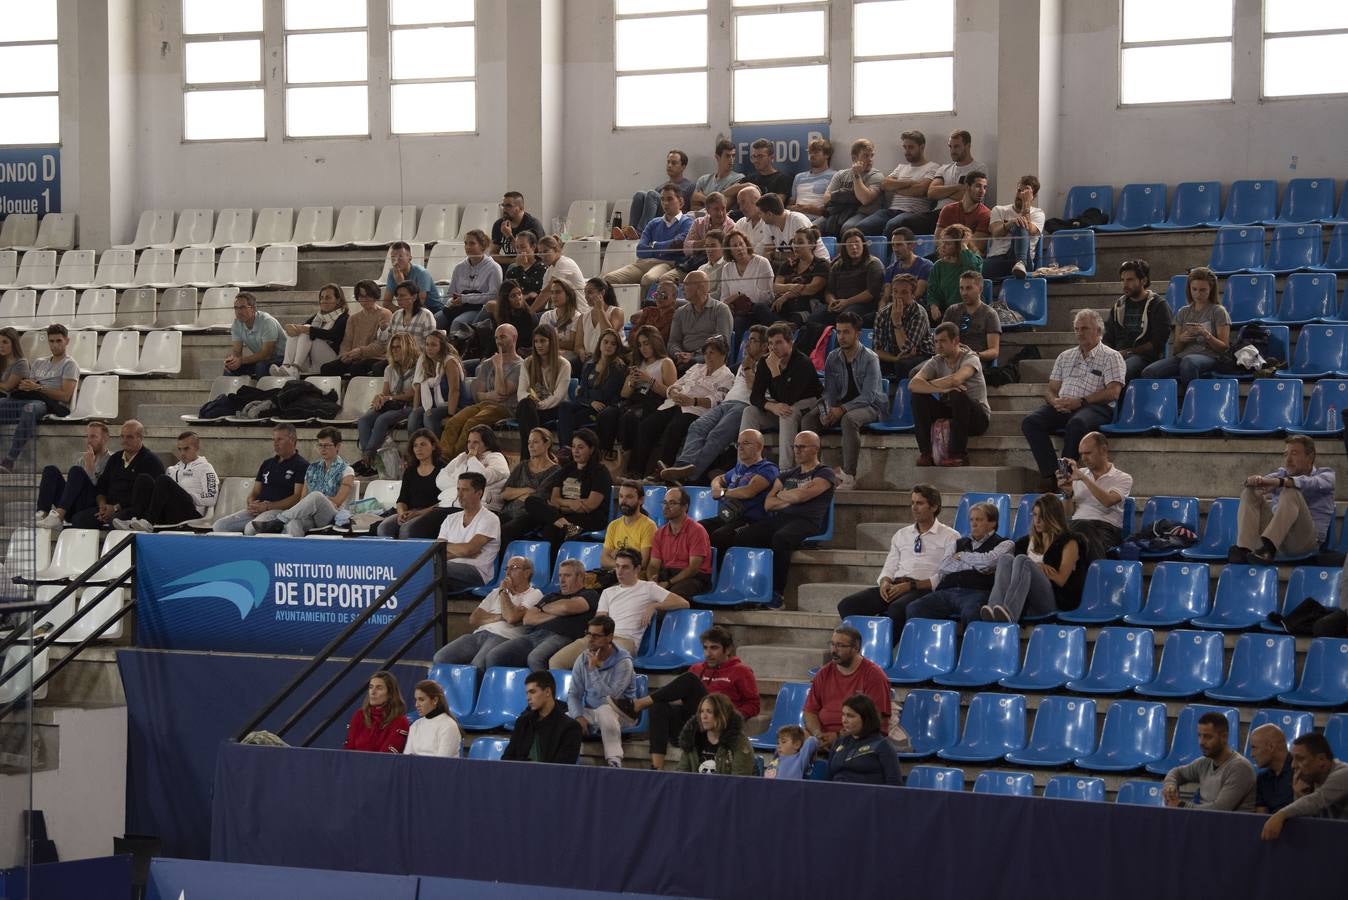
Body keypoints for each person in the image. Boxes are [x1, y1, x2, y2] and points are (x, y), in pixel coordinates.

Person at [613, 625, 758, 770]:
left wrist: (731, 716)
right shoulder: (697, 669)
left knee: (690, 679)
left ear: (727, 650)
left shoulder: (741, 671)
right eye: (705, 648)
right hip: (694, 724)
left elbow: (754, 704)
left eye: (714, 648)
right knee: (658, 705)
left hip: (719, 724)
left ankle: (637, 704)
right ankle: (656, 768)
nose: (708, 653)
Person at [715, 430, 834, 603]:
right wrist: (795, 495)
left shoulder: (824, 473)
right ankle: (744, 585)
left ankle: (777, 592)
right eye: (795, 446)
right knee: (743, 536)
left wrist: (785, 494)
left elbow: (801, 497)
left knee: (781, 538)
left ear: (816, 449)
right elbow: (768, 503)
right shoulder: (787, 474)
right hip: (781, 518)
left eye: (802, 446)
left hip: (808, 521)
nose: (797, 450)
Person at [1021, 309, 1125, 493]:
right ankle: (1050, 476)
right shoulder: (1065, 356)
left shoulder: (1111, 356)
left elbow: (1113, 392)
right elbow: (1051, 389)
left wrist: (1081, 401)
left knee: (1077, 423)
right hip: (1064, 405)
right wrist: (1055, 402)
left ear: (1098, 331)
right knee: (1030, 422)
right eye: (1076, 329)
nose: (1079, 333)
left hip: (1095, 407)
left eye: (1084, 328)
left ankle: (1065, 476)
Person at [836, 484, 959, 623]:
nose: (914, 507)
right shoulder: (902, 534)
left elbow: (946, 576)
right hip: (895, 585)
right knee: (847, 605)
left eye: (919, 503)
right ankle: (857, 643)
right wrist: (885, 582)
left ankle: (882, 644)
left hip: (923, 589)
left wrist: (911, 586)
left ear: (934, 507)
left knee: (896, 610)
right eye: (912, 503)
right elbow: (890, 566)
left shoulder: (950, 536)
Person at [660, 328, 768, 485]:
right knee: (697, 426)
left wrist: (747, 367)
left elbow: (755, 387)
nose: (746, 345)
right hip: (726, 404)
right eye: (748, 339)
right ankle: (682, 466)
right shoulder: (744, 362)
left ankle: (688, 476)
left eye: (753, 341)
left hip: (744, 406)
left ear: (764, 346)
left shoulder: (765, 364)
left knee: (716, 435)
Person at [552, 550, 690, 669]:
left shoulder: (649, 588)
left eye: (625, 567)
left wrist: (654, 605)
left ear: (637, 569)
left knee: (594, 662)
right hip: (600, 637)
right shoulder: (607, 592)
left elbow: (683, 602)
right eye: (617, 566)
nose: (619, 571)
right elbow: (600, 620)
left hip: (625, 641)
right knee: (555, 662)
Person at [803, 312, 885, 490]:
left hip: (870, 407)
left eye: (846, 332)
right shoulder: (833, 357)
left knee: (849, 419)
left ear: (857, 333)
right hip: (841, 406)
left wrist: (841, 409)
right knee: (809, 418)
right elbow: (829, 392)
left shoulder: (871, 358)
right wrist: (828, 411)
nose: (841, 337)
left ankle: (849, 476)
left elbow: (868, 396)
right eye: (839, 332)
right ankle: (810, 472)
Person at [630, 336, 733, 478]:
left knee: (674, 428)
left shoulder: (727, 376)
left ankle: (662, 473)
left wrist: (693, 401)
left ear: (723, 354)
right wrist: (674, 391)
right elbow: (677, 383)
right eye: (706, 353)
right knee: (646, 426)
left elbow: (717, 400)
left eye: (712, 353)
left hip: (697, 410)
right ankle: (636, 472)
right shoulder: (697, 367)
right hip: (675, 403)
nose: (708, 356)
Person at [903, 502, 1015, 628]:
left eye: (979, 520)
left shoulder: (1005, 544)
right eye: (971, 520)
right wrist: (978, 567)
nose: (973, 524)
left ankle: (973, 647)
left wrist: (962, 556)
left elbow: (989, 561)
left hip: (977, 592)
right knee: (914, 608)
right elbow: (944, 566)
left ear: (992, 523)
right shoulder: (957, 543)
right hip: (947, 591)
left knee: (971, 613)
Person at [979, 494, 1086, 623]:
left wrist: (1034, 568)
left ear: (1053, 517)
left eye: (1042, 516)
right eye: (1035, 515)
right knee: (1006, 559)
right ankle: (993, 610)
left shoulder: (1069, 541)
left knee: (1022, 560)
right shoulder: (1026, 542)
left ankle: (1009, 613)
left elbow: (1061, 580)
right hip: (1026, 602)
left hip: (1054, 600)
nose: (1037, 521)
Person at [1230, 434, 1335, 564]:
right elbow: (1261, 483)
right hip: (1280, 540)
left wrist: (1280, 482)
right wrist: (1254, 481)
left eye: (1294, 454)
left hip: (1305, 543)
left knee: (1291, 490)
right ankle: (1244, 550)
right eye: (1286, 454)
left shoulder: (1326, 475)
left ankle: (1268, 548)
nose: (1288, 460)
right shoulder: (1282, 474)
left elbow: (1307, 483)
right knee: (1249, 493)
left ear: (1310, 456)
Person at [488, 558, 600, 672]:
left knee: (535, 658)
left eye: (567, 575)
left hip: (563, 636)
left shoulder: (589, 594)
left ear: (580, 576)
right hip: (535, 635)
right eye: (560, 575)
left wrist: (544, 609)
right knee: (495, 655)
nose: (562, 580)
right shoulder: (551, 596)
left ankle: (545, 689)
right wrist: (559, 613)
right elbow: (528, 619)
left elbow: (566, 607)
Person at [433, 554, 542, 669]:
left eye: (513, 568)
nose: (508, 572)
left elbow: (511, 618)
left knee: (477, 665)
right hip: (480, 633)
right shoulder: (496, 592)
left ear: (527, 573)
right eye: (507, 568)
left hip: (503, 636)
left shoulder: (534, 594)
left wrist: (504, 592)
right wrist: (500, 616)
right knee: (440, 658)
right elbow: (474, 619)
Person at [741, 323, 823, 470]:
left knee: (787, 413)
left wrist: (775, 370)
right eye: (771, 343)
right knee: (750, 412)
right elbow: (755, 397)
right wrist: (772, 406)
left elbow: (789, 398)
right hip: (781, 405)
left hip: (807, 406)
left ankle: (786, 470)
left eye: (778, 342)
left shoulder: (803, 363)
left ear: (790, 343)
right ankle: (745, 467)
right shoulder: (765, 362)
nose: (773, 347)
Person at [910, 321, 991, 468]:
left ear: (956, 341)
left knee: (957, 392)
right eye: (936, 342)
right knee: (917, 397)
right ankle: (926, 453)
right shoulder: (936, 360)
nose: (938, 346)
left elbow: (957, 379)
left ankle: (958, 455)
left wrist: (931, 384)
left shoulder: (971, 358)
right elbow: (913, 385)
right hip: (952, 414)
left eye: (943, 341)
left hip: (976, 417)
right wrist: (940, 389)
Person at [248, 428, 355, 536]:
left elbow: (337, 501)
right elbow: (303, 499)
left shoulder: (347, 470)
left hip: (330, 516)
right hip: (310, 514)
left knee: (316, 496)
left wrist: (316, 499)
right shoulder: (312, 468)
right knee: (293, 524)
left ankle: (279, 520)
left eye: (327, 445)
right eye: (320, 445)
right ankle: (291, 551)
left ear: (338, 446)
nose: (323, 449)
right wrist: (310, 502)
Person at [0, 324, 77, 473]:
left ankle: (9, 460)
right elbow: (30, 384)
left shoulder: (70, 365)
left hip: (47, 403)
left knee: (30, 409)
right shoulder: (39, 362)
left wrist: (39, 388)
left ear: (67, 341)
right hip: (29, 397)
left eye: (58, 341)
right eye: (51, 341)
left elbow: (65, 395)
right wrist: (25, 386)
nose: (54, 345)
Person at [412, 425, 511, 540]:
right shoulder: (462, 457)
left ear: (487, 444)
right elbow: (440, 480)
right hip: (449, 506)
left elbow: (483, 479)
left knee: (417, 530)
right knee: (413, 529)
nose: (471, 446)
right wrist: (462, 481)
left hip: (479, 508)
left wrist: (472, 459)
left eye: (476, 442)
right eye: (469, 442)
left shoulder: (496, 458)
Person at [803, 625, 892, 751]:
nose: (834, 650)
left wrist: (838, 736)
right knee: (791, 742)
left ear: (856, 648)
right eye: (832, 644)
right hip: (824, 737)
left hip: (859, 737)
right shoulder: (823, 673)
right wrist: (818, 735)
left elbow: (874, 720)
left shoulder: (874, 675)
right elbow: (810, 711)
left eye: (840, 646)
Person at [566, 614, 639, 768]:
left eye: (596, 636)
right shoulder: (582, 659)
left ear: (609, 637)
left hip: (622, 712)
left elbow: (610, 698)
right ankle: (568, 762)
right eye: (589, 634)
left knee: (606, 710)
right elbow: (574, 694)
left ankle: (614, 762)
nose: (590, 639)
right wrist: (578, 716)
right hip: (593, 712)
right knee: (564, 719)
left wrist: (593, 670)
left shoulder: (624, 662)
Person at [1140, 265, 1230, 390]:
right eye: (1194, 289)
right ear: (1189, 289)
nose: (1198, 294)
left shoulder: (1218, 311)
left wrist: (1206, 335)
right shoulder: (1183, 312)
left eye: (1203, 290)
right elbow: (1176, 350)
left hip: (1209, 356)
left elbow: (1223, 348)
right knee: (1149, 372)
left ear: (1211, 289)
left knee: (1188, 362)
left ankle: (1191, 402)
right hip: (1183, 356)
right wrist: (1182, 339)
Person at [439, 324, 522, 456]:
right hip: (483, 404)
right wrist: (489, 395)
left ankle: (458, 460)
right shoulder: (488, 363)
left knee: (471, 423)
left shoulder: (520, 366)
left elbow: (502, 392)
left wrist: (499, 366)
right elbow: (478, 395)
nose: (499, 341)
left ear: (514, 337)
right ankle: (443, 459)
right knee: (453, 422)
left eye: (503, 337)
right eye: (496, 338)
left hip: (505, 408)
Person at [521, 429, 613, 548]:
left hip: (589, 518)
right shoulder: (566, 469)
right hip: (562, 515)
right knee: (531, 501)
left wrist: (562, 506)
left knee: (551, 529)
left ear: (591, 449)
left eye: (580, 447)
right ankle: (566, 525)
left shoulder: (600, 472)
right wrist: (571, 503)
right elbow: (554, 499)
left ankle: (562, 531)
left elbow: (590, 505)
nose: (575, 451)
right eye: (573, 446)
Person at [112, 430, 218, 532]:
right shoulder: (173, 469)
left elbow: (211, 498)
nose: (182, 453)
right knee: (143, 479)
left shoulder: (205, 468)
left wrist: (188, 496)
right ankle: (134, 519)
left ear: (196, 448)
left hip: (191, 513)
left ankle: (148, 521)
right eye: (179, 449)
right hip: (170, 511)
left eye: (186, 449)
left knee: (163, 480)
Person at [69, 420, 166, 530]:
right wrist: (102, 505)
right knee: (78, 519)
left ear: (140, 438)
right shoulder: (115, 458)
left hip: (132, 509)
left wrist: (115, 508)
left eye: (129, 437)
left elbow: (148, 494)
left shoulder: (151, 461)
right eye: (122, 436)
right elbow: (102, 485)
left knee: (114, 521)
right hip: (107, 507)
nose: (124, 441)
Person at [212, 424, 308, 533]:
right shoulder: (267, 464)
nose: (275, 443)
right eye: (274, 439)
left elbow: (297, 497)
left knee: (251, 529)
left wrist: (268, 506)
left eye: (280, 439)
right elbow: (255, 491)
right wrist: (252, 503)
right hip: (258, 510)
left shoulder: (302, 465)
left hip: (280, 511)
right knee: (220, 526)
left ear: (292, 440)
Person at [800, 226, 885, 349]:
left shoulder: (873, 264)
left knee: (845, 319)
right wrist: (832, 301)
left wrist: (847, 302)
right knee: (814, 318)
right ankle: (811, 355)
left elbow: (871, 293)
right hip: (838, 304)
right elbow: (829, 290)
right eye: (849, 244)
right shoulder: (838, 265)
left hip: (862, 305)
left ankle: (837, 354)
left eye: (857, 243)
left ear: (863, 244)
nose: (854, 247)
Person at [1057, 431, 1132, 558]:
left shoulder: (1123, 478)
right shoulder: (1078, 475)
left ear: (1103, 450)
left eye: (1088, 453)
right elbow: (1068, 514)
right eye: (1081, 454)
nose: (1083, 458)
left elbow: (1108, 501)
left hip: (1105, 530)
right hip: (1076, 527)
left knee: (1078, 531)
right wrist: (1067, 493)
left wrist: (1084, 479)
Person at [604, 184, 692, 291]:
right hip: (643, 263)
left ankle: (643, 307)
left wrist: (653, 245)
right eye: (662, 199)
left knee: (648, 279)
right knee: (608, 279)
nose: (665, 203)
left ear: (681, 202)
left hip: (667, 264)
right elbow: (640, 250)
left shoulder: (687, 222)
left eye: (670, 199)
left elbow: (677, 245)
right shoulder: (654, 223)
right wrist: (663, 249)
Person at [610, 326, 677, 467]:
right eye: (640, 345)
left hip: (656, 401)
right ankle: (616, 456)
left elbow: (671, 394)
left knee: (631, 417)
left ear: (655, 342)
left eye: (646, 343)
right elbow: (624, 394)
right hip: (636, 399)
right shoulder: (638, 363)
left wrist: (649, 380)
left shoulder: (666, 362)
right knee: (612, 414)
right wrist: (631, 382)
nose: (643, 348)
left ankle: (629, 463)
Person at [1260, 733, 1348, 840]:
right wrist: (1300, 794)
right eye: (1293, 759)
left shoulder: (1343, 774)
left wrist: (1280, 814)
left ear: (1321, 759)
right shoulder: (1313, 777)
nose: (1293, 765)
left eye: (1300, 759)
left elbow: (1317, 800)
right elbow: (1310, 821)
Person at [352, 332, 417, 477]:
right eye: (393, 347)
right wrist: (380, 398)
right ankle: (368, 459)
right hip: (392, 403)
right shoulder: (389, 369)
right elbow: (386, 392)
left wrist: (390, 398)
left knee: (382, 419)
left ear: (408, 348)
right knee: (364, 420)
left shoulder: (418, 367)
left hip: (409, 405)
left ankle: (367, 458)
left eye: (399, 347)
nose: (395, 350)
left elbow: (413, 393)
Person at [1162, 712, 1256, 811]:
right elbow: (1176, 772)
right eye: (1199, 735)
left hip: (1229, 825)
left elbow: (1219, 809)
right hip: (1206, 822)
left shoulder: (1240, 768)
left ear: (1224, 737)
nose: (1201, 742)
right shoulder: (1204, 762)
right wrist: (1170, 786)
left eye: (1207, 737)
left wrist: (1180, 805)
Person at [855, 130, 941, 237]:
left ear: (922, 147)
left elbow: (920, 190)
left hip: (913, 213)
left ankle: (888, 253)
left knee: (893, 225)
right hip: (890, 211)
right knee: (860, 228)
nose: (907, 151)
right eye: (905, 147)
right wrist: (910, 182)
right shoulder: (901, 167)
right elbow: (885, 184)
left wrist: (895, 188)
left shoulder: (933, 167)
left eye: (911, 147)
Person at [699, 428, 778, 544]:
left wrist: (722, 492)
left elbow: (748, 492)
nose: (740, 447)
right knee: (697, 528)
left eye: (746, 443)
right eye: (738, 444)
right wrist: (716, 487)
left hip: (753, 520)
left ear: (759, 446)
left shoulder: (768, 468)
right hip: (729, 516)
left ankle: (719, 562)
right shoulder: (739, 467)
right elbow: (719, 478)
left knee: (720, 536)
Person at [1103, 259, 1171, 382]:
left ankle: (1114, 401)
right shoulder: (1119, 306)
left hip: (1145, 358)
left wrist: (1128, 352)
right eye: (1123, 280)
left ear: (1143, 281)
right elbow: (1108, 337)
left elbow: (1157, 342)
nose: (1125, 284)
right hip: (1119, 356)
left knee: (1121, 371)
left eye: (1130, 280)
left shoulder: (1158, 305)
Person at [36, 420, 113, 529]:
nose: (89, 441)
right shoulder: (81, 460)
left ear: (104, 439)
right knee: (50, 470)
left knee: (76, 470)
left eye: (93, 437)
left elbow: (103, 490)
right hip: (73, 505)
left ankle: (58, 517)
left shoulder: (112, 460)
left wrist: (91, 470)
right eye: (87, 437)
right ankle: (42, 513)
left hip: (92, 506)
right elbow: (72, 488)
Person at [436, 472, 502, 594]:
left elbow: (469, 549)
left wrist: (463, 550)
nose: (459, 495)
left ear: (479, 493)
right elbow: (437, 551)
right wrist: (463, 552)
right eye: (458, 489)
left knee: (433, 568)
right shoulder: (450, 518)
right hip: (449, 571)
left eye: (465, 490)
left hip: (477, 573)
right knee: (427, 569)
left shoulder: (490, 518)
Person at [558, 328, 626, 445]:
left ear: (617, 347)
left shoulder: (618, 368)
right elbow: (580, 394)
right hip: (587, 404)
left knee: (568, 421)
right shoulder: (589, 365)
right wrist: (590, 401)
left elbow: (604, 394)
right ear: (599, 344)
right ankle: (566, 448)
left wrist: (588, 395)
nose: (608, 346)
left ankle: (568, 448)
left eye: (613, 344)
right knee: (564, 406)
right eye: (605, 342)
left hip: (602, 409)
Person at [373, 429, 446, 538]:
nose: (418, 449)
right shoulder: (410, 471)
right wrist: (401, 513)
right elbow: (402, 499)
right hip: (410, 512)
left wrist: (418, 514)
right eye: (415, 446)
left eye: (423, 444)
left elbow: (444, 503)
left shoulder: (443, 469)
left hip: (432, 514)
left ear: (433, 446)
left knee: (407, 530)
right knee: (384, 528)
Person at [496, 428, 561, 546]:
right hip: (507, 512)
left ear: (547, 443)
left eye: (535, 442)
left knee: (503, 532)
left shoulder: (555, 470)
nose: (531, 446)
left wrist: (515, 494)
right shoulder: (522, 466)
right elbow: (504, 494)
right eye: (529, 442)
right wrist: (526, 490)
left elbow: (538, 497)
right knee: (484, 529)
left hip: (529, 515)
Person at [645, 486, 713, 597]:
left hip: (693, 578)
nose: (666, 507)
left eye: (671, 503)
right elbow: (653, 565)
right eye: (664, 502)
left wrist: (668, 583)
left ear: (685, 507)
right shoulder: (659, 533)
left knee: (668, 596)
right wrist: (652, 580)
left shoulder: (697, 531)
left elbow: (693, 569)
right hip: (668, 575)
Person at [502, 670, 583, 764]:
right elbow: (506, 760)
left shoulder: (570, 728)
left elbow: (562, 769)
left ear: (548, 692)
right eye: (527, 693)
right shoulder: (523, 722)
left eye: (532, 692)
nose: (528, 698)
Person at [513, 323, 573, 448]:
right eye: (536, 341)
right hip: (532, 408)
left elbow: (558, 396)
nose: (539, 345)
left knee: (529, 408)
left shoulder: (564, 364)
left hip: (553, 408)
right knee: (525, 404)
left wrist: (539, 405)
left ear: (552, 342)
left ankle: (533, 449)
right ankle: (530, 450)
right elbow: (521, 392)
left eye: (543, 341)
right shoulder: (528, 362)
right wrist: (532, 402)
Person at [825, 694, 902, 786]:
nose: (844, 720)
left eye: (850, 716)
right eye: (843, 715)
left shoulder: (882, 746)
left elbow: (895, 785)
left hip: (869, 798)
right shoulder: (838, 743)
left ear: (866, 719)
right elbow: (829, 779)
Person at [273, 282, 347, 377]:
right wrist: (290, 327)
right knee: (298, 332)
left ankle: (295, 368)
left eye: (328, 297)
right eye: (321, 297)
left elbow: (333, 335)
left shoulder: (344, 317)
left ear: (338, 300)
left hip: (331, 361)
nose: (323, 300)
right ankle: (286, 365)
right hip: (312, 360)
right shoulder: (318, 317)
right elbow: (300, 330)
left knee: (307, 329)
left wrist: (306, 329)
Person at [320, 280, 391, 377]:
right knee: (326, 368)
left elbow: (381, 344)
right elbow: (346, 342)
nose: (364, 299)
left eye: (368, 295)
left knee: (357, 367)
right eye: (361, 296)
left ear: (375, 296)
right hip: (354, 357)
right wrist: (345, 355)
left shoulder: (385, 314)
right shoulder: (353, 318)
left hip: (376, 357)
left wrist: (360, 351)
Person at [983, 174, 1046, 280]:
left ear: (1033, 196)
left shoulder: (1038, 213)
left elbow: (1031, 230)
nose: (1020, 195)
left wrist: (1026, 203)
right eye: (1019, 191)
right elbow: (996, 233)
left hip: (1025, 262)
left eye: (1025, 193)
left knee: (1021, 224)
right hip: (998, 259)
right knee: (974, 271)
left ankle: (1020, 263)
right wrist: (1010, 223)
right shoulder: (999, 210)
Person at [675, 693, 756, 776]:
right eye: (702, 711)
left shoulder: (739, 742)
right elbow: (681, 776)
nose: (704, 716)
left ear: (723, 714)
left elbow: (738, 782)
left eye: (709, 712)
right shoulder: (692, 738)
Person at [818, 138, 884, 237]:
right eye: (866, 156)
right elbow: (826, 199)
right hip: (839, 211)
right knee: (812, 228)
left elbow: (864, 199)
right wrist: (849, 195)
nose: (870, 159)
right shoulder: (841, 174)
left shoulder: (876, 175)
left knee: (848, 228)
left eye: (872, 155)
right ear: (854, 158)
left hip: (862, 214)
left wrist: (856, 175)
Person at [923, 129, 985, 236]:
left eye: (956, 146)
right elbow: (932, 192)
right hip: (937, 212)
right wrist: (958, 187)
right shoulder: (944, 168)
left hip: (960, 214)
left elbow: (968, 196)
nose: (952, 150)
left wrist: (943, 192)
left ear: (967, 146)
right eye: (950, 147)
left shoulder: (979, 168)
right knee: (899, 223)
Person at [668, 271, 733, 370]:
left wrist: (693, 355)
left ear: (699, 288)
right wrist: (678, 353)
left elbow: (722, 344)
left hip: (707, 359)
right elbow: (673, 342)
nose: (682, 288)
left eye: (686, 285)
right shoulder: (680, 312)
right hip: (682, 359)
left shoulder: (721, 310)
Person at [874, 273, 933, 380]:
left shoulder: (919, 313)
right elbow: (877, 349)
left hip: (921, 355)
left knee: (904, 364)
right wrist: (894, 359)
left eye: (904, 292)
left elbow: (907, 350)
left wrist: (897, 323)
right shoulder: (883, 313)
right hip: (895, 356)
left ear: (913, 295)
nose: (898, 296)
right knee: (870, 360)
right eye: (895, 291)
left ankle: (902, 392)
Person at [768, 227, 830, 328]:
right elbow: (776, 287)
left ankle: (782, 327)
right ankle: (782, 326)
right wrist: (795, 286)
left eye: (800, 242)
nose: (796, 246)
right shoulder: (788, 264)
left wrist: (786, 295)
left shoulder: (821, 265)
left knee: (794, 318)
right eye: (794, 242)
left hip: (806, 307)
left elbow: (811, 289)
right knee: (760, 308)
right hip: (784, 306)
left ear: (812, 245)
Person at [940, 270, 1001, 369]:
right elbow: (941, 339)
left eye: (968, 288)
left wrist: (973, 354)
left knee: (958, 375)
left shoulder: (990, 314)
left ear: (980, 289)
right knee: (915, 372)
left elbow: (994, 351)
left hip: (974, 360)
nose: (964, 293)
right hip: (949, 358)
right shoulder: (952, 310)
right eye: (961, 288)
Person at [719, 231, 775, 337]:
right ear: (729, 251)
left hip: (760, 311)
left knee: (741, 321)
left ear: (746, 244)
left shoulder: (762, 263)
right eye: (734, 246)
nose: (739, 248)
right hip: (738, 312)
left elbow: (763, 297)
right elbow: (724, 299)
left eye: (741, 244)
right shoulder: (727, 268)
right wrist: (732, 301)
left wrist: (738, 295)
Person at [445, 229, 503, 330]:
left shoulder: (494, 268)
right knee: (435, 319)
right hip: (459, 307)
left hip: (480, 308)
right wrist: (453, 301)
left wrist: (465, 298)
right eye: (466, 243)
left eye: (472, 243)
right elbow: (451, 293)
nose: (467, 247)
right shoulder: (459, 267)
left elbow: (493, 296)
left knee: (457, 323)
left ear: (482, 246)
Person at [407, 330, 462, 437]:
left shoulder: (449, 361)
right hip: (436, 405)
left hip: (455, 405)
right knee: (414, 415)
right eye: (427, 345)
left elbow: (454, 391)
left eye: (433, 345)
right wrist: (415, 409)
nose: (429, 348)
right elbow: (418, 387)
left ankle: (437, 451)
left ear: (441, 347)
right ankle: (415, 449)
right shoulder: (426, 362)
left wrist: (451, 416)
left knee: (429, 416)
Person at [626, 149, 695, 234]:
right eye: (668, 162)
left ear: (683, 167)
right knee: (639, 195)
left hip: (674, 218)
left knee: (652, 194)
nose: (669, 165)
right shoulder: (660, 188)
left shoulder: (690, 186)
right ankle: (631, 230)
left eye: (674, 163)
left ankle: (642, 232)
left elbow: (691, 211)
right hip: (658, 218)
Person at [925, 225, 983, 322]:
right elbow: (932, 291)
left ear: (958, 245)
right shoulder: (938, 266)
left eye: (948, 244)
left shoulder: (974, 260)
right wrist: (933, 306)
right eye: (943, 242)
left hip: (969, 311)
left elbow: (972, 270)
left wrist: (964, 245)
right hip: (946, 311)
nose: (943, 246)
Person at [343, 671, 409, 754]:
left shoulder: (400, 721)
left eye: (379, 688)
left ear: (390, 693)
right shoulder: (359, 715)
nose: (373, 692)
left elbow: (385, 757)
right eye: (371, 687)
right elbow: (348, 752)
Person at [223, 292, 285, 377]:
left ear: (253, 309)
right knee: (230, 369)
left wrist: (240, 360)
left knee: (261, 366)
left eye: (242, 307)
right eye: (236, 308)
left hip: (283, 359)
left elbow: (266, 354)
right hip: (263, 360)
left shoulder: (267, 321)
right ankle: (228, 391)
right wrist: (232, 361)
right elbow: (237, 353)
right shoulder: (237, 324)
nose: (238, 311)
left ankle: (263, 390)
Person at [600, 481, 657, 573]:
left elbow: (642, 563)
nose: (623, 501)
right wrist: (626, 563)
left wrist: (617, 555)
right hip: (615, 574)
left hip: (635, 577)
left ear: (641, 500)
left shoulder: (649, 526)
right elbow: (603, 560)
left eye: (629, 497)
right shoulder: (613, 525)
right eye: (621, 496)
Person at [756, 193, 827, 266]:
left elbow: (804, 254)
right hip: (792, 265)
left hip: (817, 264)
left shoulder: (798, 221)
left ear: (769, 214)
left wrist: (777, 255)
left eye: (760, 213)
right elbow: (767, 254)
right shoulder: (767, 224)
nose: (759, 216)